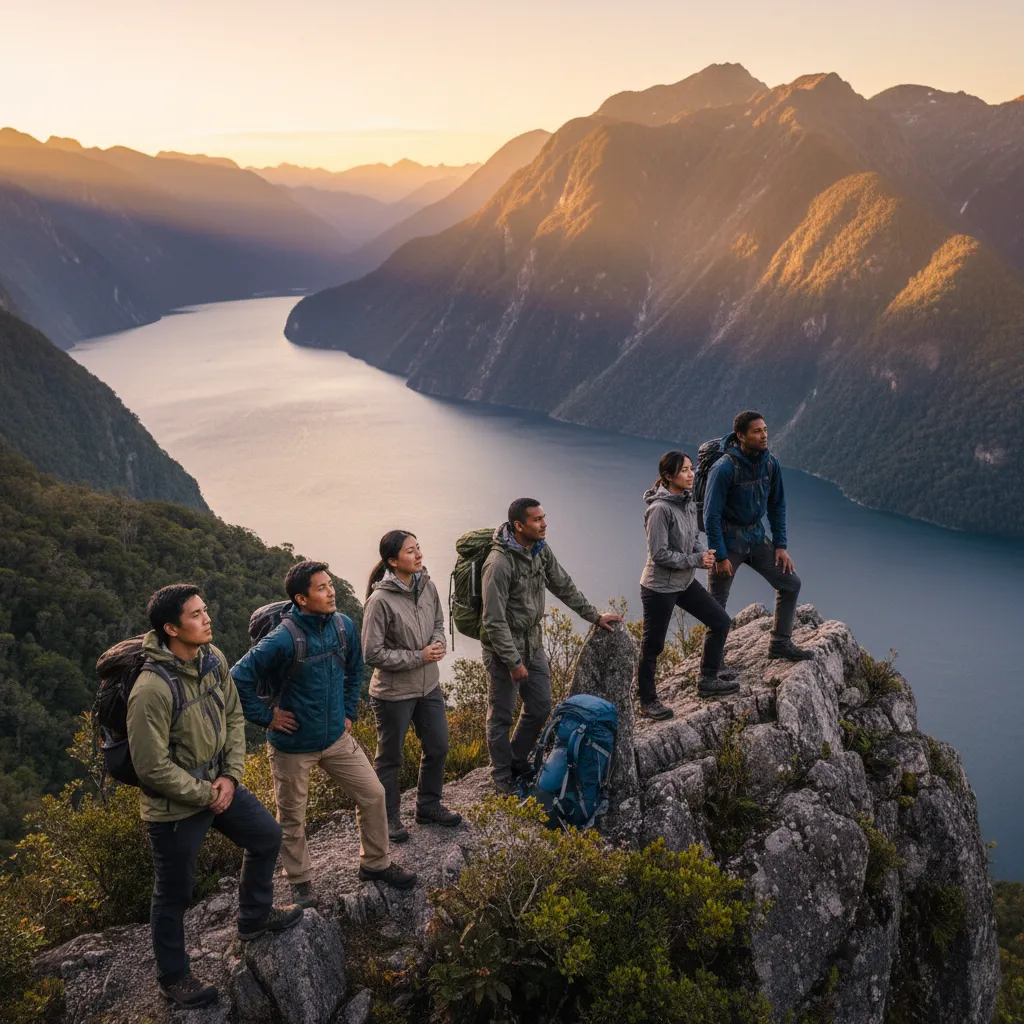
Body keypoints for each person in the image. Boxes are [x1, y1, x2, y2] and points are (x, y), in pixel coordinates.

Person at [127, 584, 301, 1010]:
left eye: (204, 611)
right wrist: (205, 794)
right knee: (174, 892)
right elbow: (151, 767)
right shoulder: (151, 689)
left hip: (219, 785)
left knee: (266, 836)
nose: (207, 619)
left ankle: (253, 918)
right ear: (171, 629)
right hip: (175, 804)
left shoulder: (213, 658)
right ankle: (173, 977)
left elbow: (234, 716)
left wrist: (231, 777)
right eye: (196, 615)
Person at [232, 560, 416, 910]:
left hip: (335, 739)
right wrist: (267, 717)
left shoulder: (343, 625)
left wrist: (348, 712)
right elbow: (238, 676)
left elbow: (355, 669)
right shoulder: (283, 638)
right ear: (301, 599)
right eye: (322, 588)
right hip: (293, 746)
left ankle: (375, 863)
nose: (331, 592)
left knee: (373, 794)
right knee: (292, 817)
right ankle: (300, 882)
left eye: (330, 585)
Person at [482, 498, 622, 794]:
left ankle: (516, 758)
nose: (544, 524)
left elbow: (563, 585)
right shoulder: (499, 564)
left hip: (533, 643)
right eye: (537, 520)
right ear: (519, 526)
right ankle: (501, 773)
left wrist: (594, 616)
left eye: (543, 517)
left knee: (540, 705)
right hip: (504, 650)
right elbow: (493, 621)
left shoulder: (539, 550)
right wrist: (513, 662)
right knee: (501, 715)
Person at [363, 531, 462, 843]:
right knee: (390, 758)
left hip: (428, 686)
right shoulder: (379, 601)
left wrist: (438, 643)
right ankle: (388, 818)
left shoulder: (427, 585)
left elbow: (438, 624)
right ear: (393, 561)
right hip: (393, 693)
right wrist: (419, 656)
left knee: (438, 746)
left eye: (418, 548)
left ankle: (428, 806)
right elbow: (372, 653)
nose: (418, 554)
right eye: (410, 551)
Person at [704, 411, 813, 661]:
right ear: (741, 436)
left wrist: (781, 546)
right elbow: (711, 516)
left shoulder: (770, 464)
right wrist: (720, 556)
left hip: (755, 537)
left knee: (790, 584)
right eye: (757, 431)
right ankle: (709, 671)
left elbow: (777, 505)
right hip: (729, 543)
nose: (764, 435)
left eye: (765, 430)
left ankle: (780, 643)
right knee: (716, 608)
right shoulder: (724, 468)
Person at [639, 451, 738, 716]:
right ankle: (647, 701)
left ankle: (708, 679)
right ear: (668, 476)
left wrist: (704, 553)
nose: (691, 474)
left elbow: (692, 538)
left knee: (720, 621)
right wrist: (696, 560)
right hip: (659, 587)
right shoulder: (659, 510)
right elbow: (659, 554)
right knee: (653, 645)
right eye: (684, 470)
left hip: (683, 582)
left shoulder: (687, 501)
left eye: (691, 468)